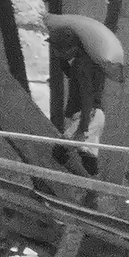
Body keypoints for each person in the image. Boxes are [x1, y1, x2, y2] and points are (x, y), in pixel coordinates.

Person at [50, 27, 107, 177]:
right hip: (95, 114)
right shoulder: (89, 62)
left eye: (58, 48)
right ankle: (92, 191)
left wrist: (82, 128)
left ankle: (88, 185)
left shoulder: (82, 64)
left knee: (60, 151)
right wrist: (62, 61)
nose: (54, 51)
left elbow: (87, 95)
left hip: (88, 115)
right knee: (88, 160)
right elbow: (75, 79)